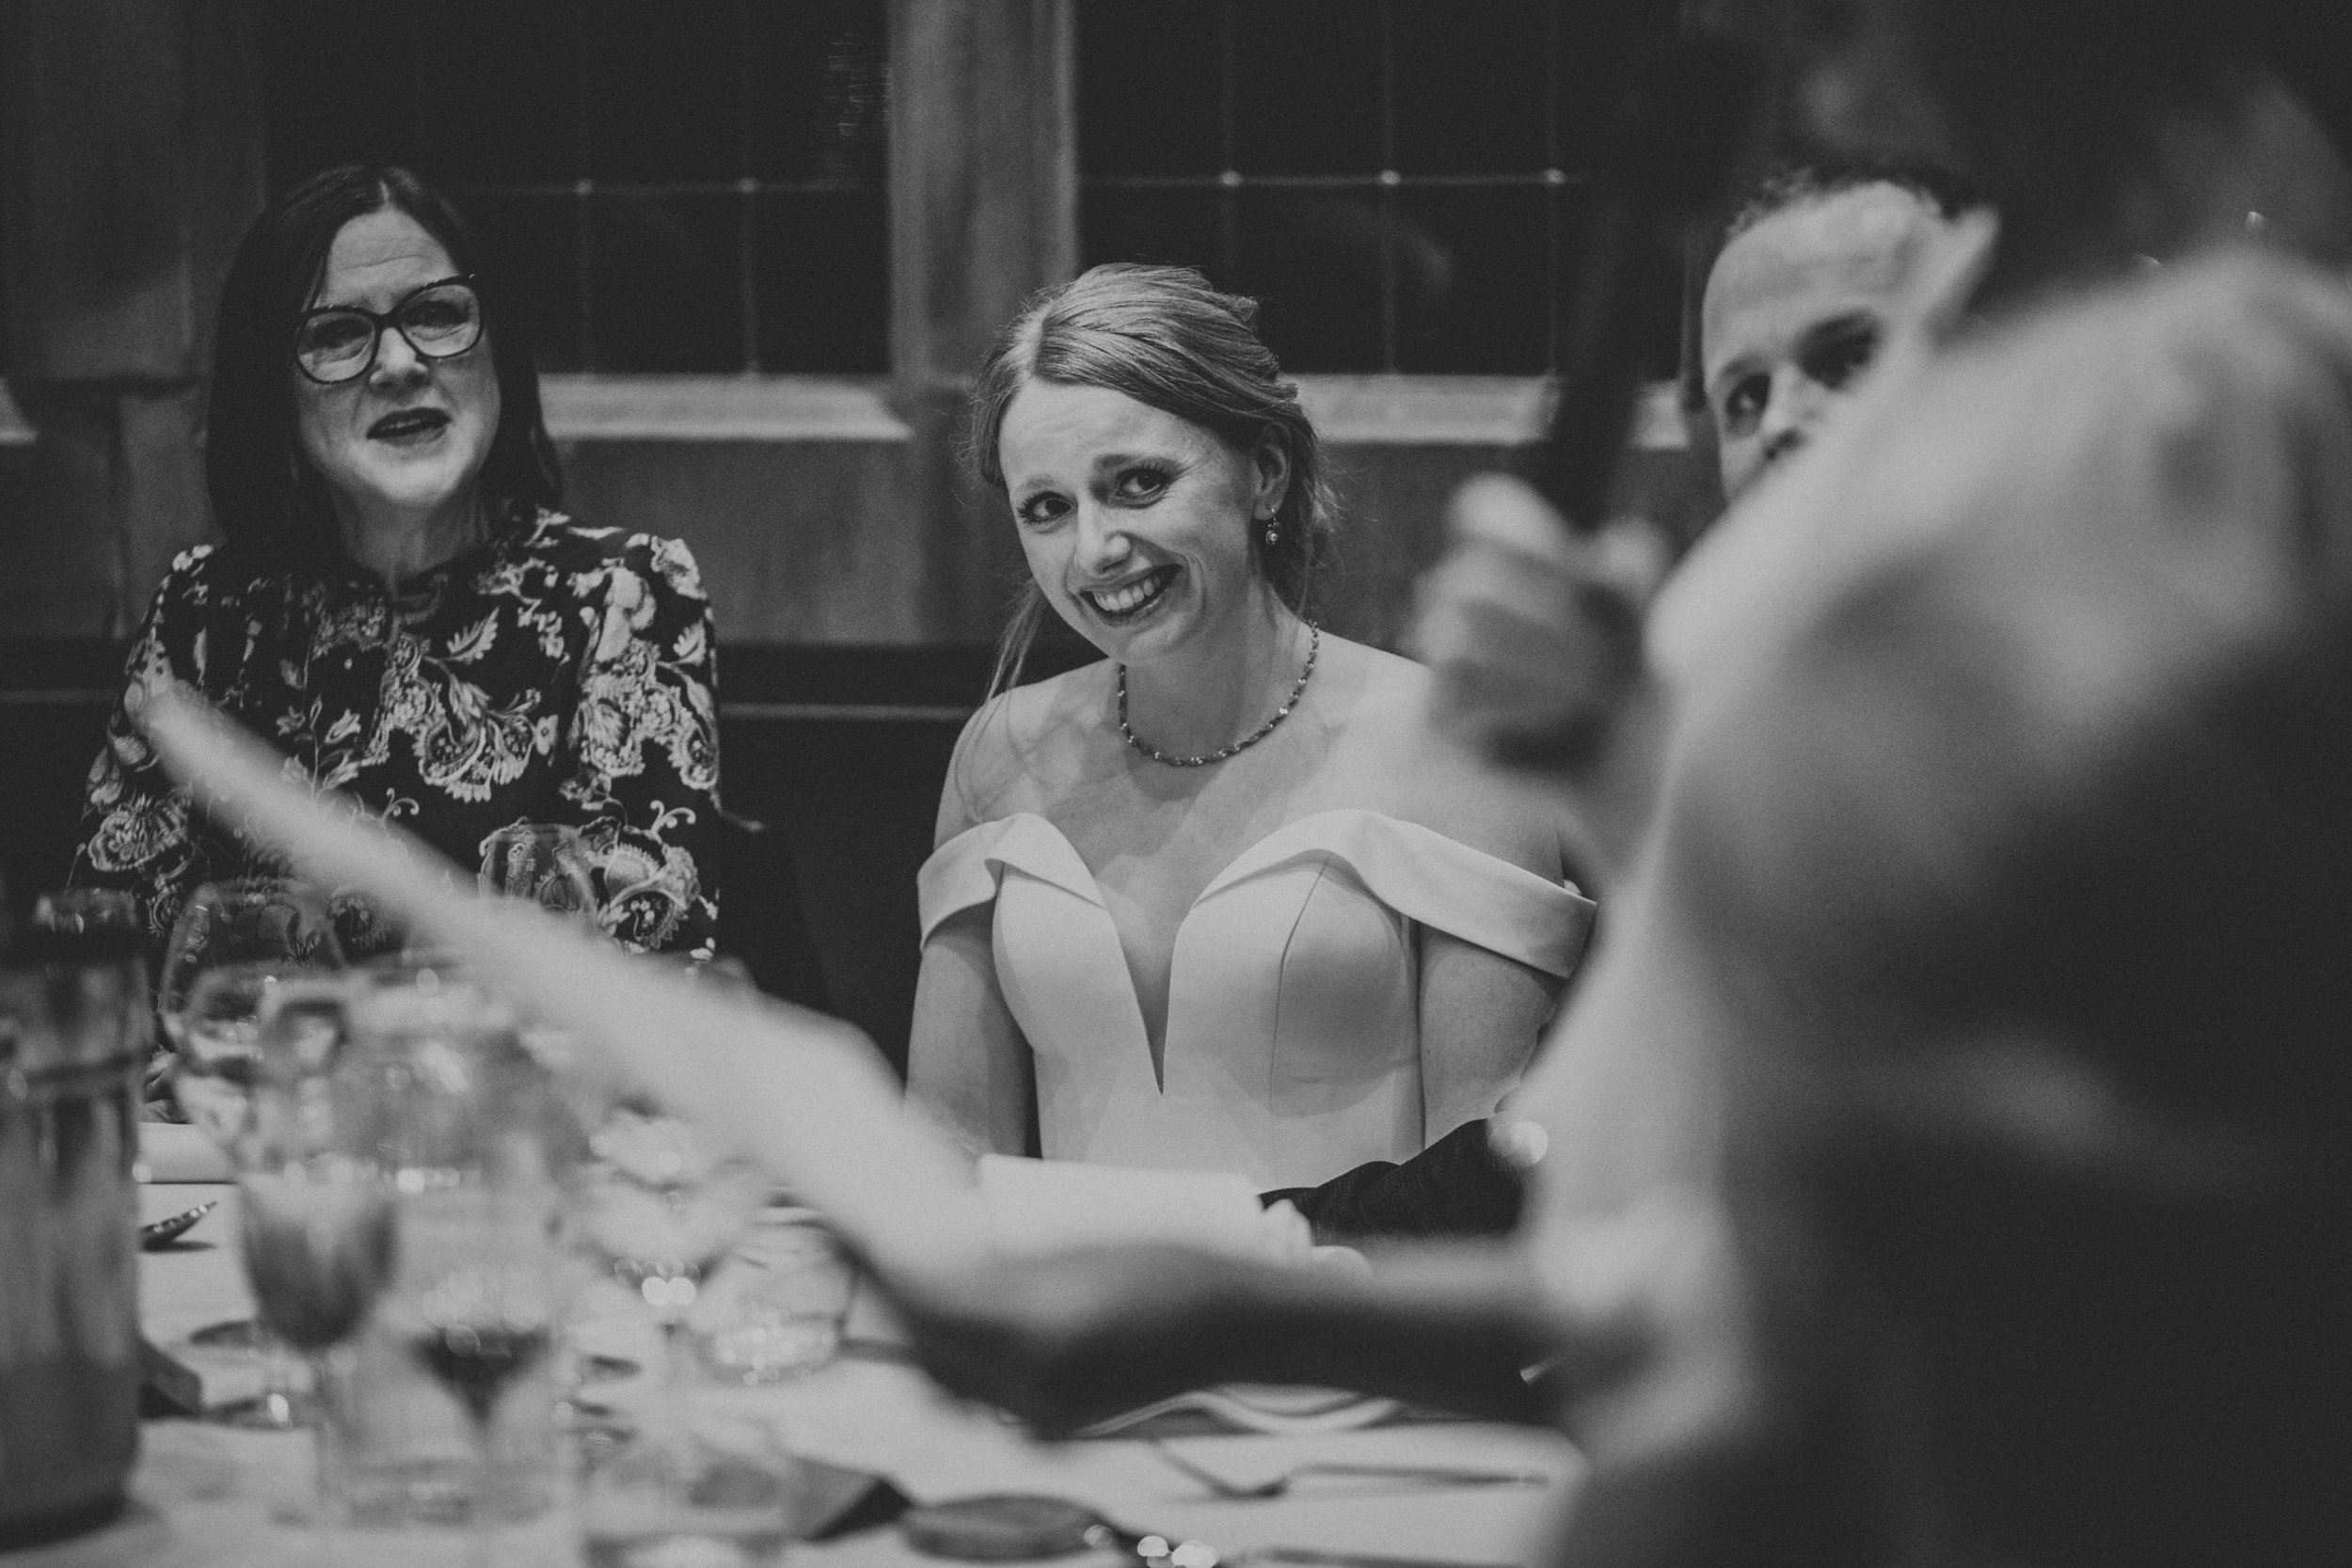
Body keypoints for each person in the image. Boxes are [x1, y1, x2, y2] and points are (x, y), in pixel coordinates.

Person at [906, 263, 1594, 1194]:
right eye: (1048, 508)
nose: (1095, 547)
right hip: (1066, 1332)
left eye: (1139, 482)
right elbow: (945, 1140)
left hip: (1347, 1325)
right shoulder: (998, 753)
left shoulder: (1456, 750)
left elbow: (1489, 1191)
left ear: (1263, 474)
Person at [71, 165, 721, 961]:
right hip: (263, 1082)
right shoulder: (203, 615)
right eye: (336, 334)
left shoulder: (623, 596)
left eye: (437, 314)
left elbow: (645, 979)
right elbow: (115, 966)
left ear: (498, 353)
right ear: (275, 395)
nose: (401, 362)